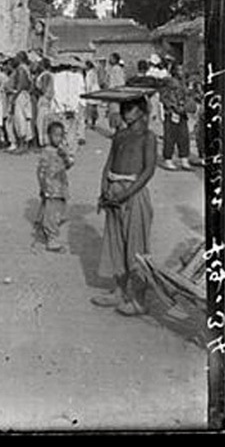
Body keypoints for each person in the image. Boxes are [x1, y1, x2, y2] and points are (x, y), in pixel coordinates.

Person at [91, 96, 156, 316]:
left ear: (142, 110)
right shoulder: (120, 135)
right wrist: (103, 191)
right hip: (113, 192)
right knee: (115, 243)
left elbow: (148, 171)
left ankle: (138, 299)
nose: (125, 111)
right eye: (123, 107)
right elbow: (109, 163)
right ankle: (119, 290)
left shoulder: (148, 137)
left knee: (136, 247)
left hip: (134, 194)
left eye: (130, 107)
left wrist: (127, 193)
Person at [34, 120, 74, 252]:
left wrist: (66, 157)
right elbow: (41, 171)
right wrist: (44, 187)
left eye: (60, 135)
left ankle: (44, 230)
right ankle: (51, 238)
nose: (58, 138)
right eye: (55, 135)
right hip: (51, 188)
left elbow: (68, 165)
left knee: (60, 211)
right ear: (49, 136)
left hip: (61, 186)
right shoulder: (46, 152)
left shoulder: (62, 151)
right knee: (52, 213)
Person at [160, 64, 194, 171]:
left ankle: (184, 159)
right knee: (170, 137)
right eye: (180, 69)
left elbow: (187, 96)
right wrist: (173, 107)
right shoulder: (168, 83)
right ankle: (168, 159)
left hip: (182, 114)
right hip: (171, 113)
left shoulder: (183, 83)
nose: (182, 71)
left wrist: (186, 106)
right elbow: (164, 98)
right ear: (175, 71)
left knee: (184, 137)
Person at [105, 53, 126, 133]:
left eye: (111, 58)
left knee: (115, 113)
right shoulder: (114, 69)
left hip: (115, 94)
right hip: (113, 93)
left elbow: (120, 82)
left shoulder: (116, 69)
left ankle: (118, 131)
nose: (109, 60)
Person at [84, 60, 101, 130]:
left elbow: (89, 84)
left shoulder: (90, 73)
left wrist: (87, 92)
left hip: (91, 91)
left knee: (89, 108)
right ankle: (93, 123)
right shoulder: (94, 72)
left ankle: (88, 122)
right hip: (96, 91)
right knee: (94, 108)